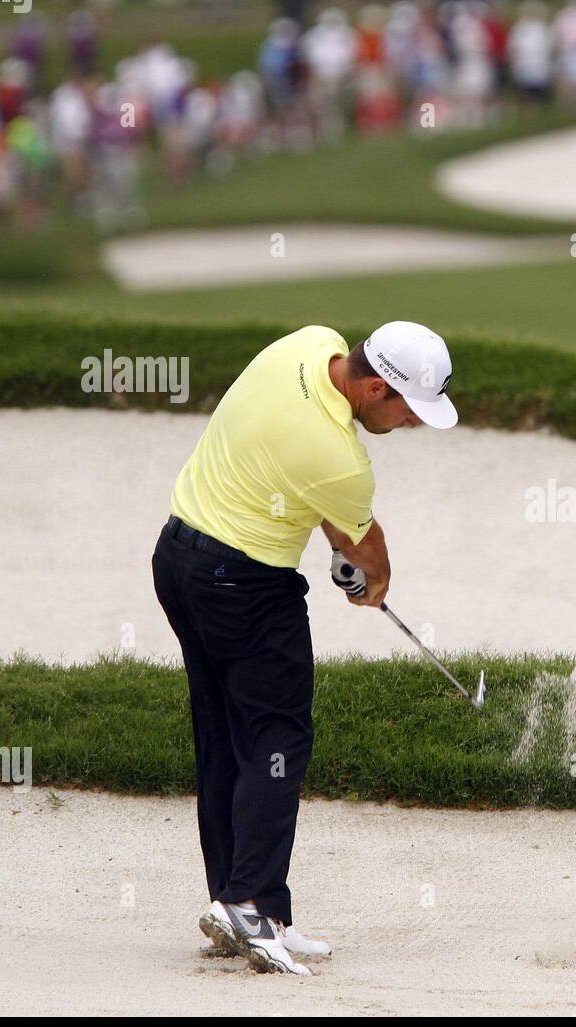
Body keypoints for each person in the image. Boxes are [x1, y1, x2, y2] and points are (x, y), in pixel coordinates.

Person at [152, 321, 460, 975]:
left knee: (225, 737)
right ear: (375, 389)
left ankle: (249, 904)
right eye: (408, 408)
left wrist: (337, 544)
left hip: (177, 557)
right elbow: (366, 553)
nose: (410, 422)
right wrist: (371, 584)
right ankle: (246, 903)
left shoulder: (308, 342)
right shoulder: (344, 462)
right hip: (243, 586)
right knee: (278, 740)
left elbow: (304, 484)